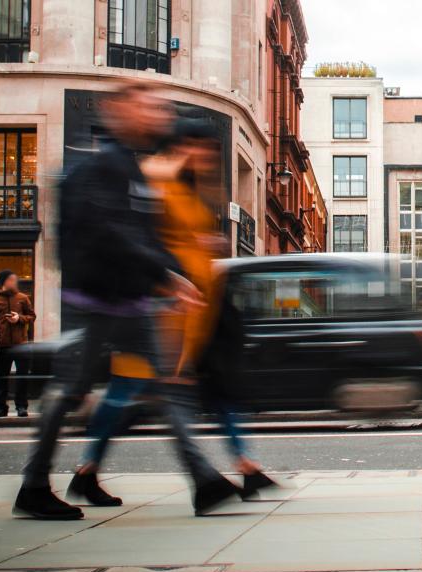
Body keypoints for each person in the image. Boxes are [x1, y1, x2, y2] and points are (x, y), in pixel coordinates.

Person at [14, 82, 239, 521]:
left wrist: (172, 276)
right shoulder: (106, 167)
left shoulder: (133, 169)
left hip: (132, 302)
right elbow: (112, 233)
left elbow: (146, 236)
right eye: (149, 106)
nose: (159, 114)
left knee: (169, 389)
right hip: (97, 302)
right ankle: (35, 484)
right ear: (120, 110)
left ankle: (205, 481)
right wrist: (168, 277)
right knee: (71, 393)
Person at [72, 118, 277, 500]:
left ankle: (89, 471)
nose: (205, 155)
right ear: (181, 144)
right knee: (133, 393)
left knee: (154, 393)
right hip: (159, 308)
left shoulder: (190, 187)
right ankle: (207, 479)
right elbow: (141, 239)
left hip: (194, 310)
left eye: (210, 150)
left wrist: (206, 244)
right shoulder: (157, 178)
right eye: (197, 146)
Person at [0, 270, 35, 418]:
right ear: (4, 282)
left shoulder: (23, 298)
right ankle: (1, 407)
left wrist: (19, 318)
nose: (15, 282)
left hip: (22, 345)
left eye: (15, 279)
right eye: (12, 279)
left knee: (22, 377)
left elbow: (32, 316)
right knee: (1, 379)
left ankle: (21, 407)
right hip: (2, 345)